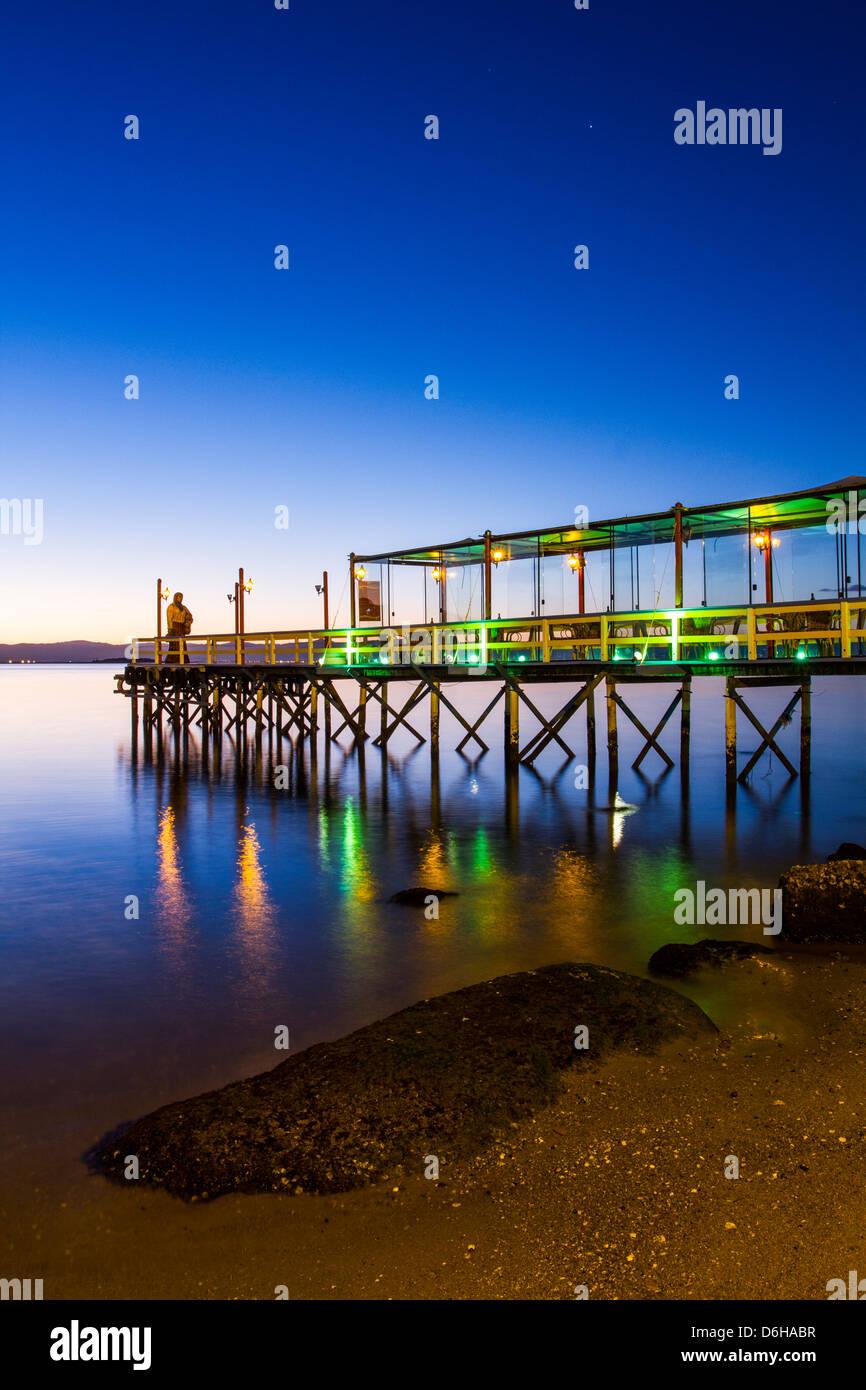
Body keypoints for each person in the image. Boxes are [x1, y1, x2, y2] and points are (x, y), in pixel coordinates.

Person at [165, 592, 193, 665]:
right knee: (175, 644)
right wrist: (170, 629)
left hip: (182, 627)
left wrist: (187, 622)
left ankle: (183, 659)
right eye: (179, 597)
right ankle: (172, 660)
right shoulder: (171, 607)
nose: (180, 599)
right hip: (174, 627)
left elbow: (190, 615)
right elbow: (169, 619)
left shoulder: (184, 607)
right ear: (176, 597)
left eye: (181, 597)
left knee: (182, 644)